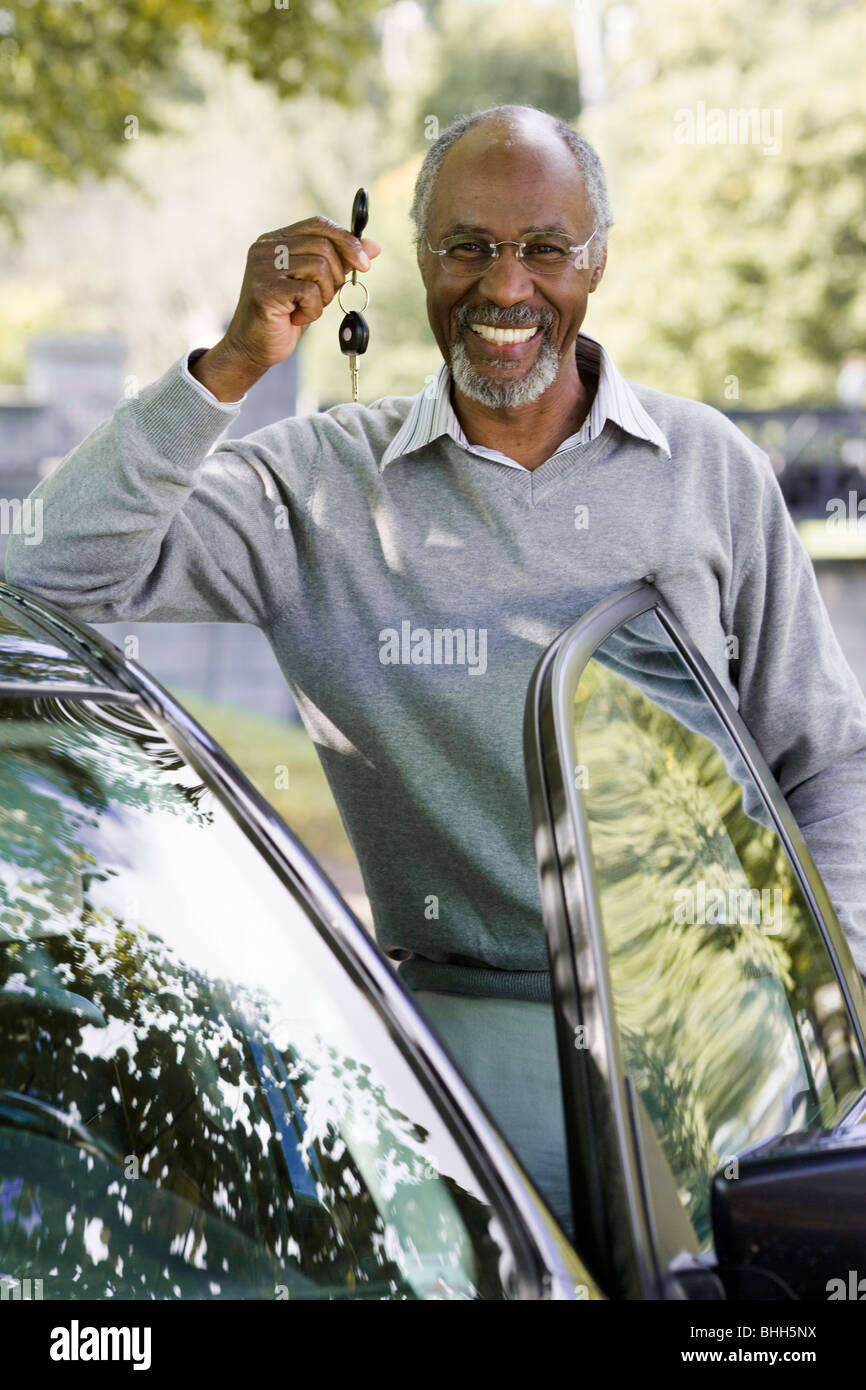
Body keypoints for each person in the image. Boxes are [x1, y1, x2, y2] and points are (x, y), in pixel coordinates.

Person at [6, 105, 866, 1238]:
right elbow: (47, 575)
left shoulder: (706, 467)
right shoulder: (313, 485)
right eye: (467, 247)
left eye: (543, 248)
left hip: (719, 1040)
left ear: (594, 263)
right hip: (453, 1061)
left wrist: (834, 1021)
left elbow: (826, 761)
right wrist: (228, 365)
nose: (505, 286)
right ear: (412, 262)